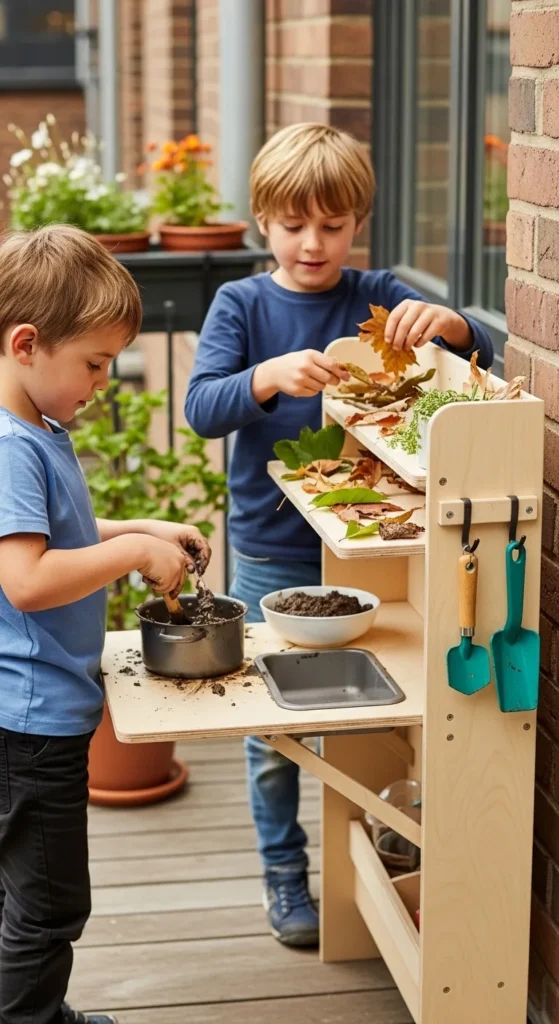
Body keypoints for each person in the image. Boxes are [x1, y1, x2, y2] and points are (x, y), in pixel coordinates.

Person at [185, 122, 493, 948]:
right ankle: (284, 874)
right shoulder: (240, 304)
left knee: (367, 715)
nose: (311, 243)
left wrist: (454, 327)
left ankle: (368, 856)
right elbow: (199, 408)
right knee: (271, 726)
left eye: (331, 224)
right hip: (269, 546)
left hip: (377, 550)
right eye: (292, 225)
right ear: (261, 221)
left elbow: (477, 350)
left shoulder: (378, 294)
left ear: (356, 222)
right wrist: (265, 377)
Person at [0, 225, 211, 1024]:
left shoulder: (38, 429)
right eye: (92, 363)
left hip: (25, 714)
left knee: (16, 893)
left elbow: (54, 537)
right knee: (49, 908)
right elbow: (25, 580)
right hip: (29, 725)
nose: (101, 382)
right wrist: (127, 558)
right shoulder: (10, 445)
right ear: (27, 343)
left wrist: (143, 530)